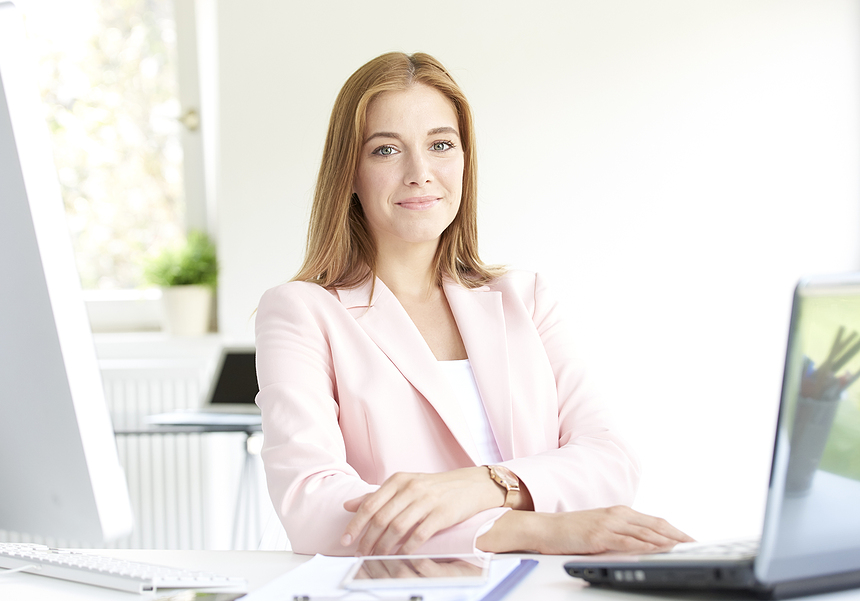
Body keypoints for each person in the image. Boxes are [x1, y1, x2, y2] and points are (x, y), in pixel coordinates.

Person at [254, 52, 691, 557]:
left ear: (465, 159)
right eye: (385, 150)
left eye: (441, 144)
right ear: (348, 171)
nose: (420, 173)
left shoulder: (524, 297)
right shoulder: (300, 311)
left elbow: (611, 461)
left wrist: (483, 485)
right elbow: (316, 508)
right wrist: (532, 529)